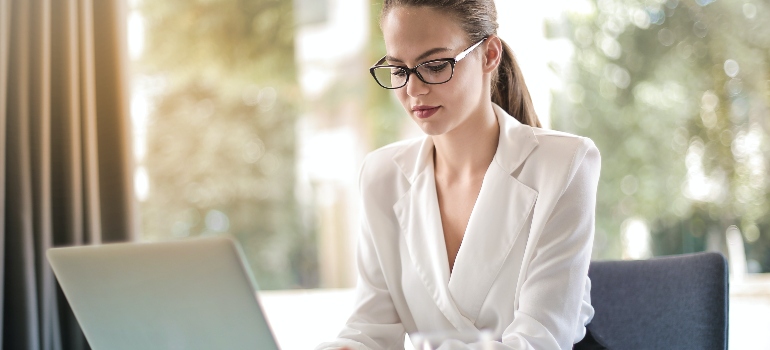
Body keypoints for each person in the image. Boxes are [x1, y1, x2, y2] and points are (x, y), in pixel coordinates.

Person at [316, 1, 603, 349]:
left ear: (489, 55)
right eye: (398, 69)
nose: (413, 90)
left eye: (435, 65)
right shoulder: (382, 176)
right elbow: (370, 329)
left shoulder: (566, 164)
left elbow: (539, 341)